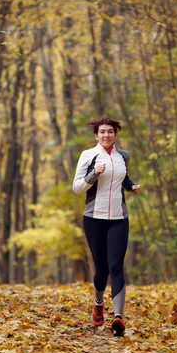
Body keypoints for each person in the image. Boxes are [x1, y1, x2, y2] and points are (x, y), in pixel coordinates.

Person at [72, 116, 141, 336]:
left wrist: (132, 186)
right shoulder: (88, 155)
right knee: (101, 270)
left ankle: (118, 318)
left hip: (120, 218)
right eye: (102, 132)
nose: (106, 135)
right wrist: (94, 174)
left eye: (110, 131)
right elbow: (77, 187)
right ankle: (99, 303)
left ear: (115, 134)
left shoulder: (123, 156)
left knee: (116, 266)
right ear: (96, 135)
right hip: (94, 218)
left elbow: (124, 178)